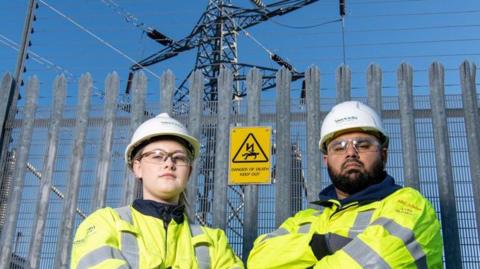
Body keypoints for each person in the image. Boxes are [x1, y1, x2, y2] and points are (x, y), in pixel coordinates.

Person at [247, 101, 443, 268]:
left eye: (363, 145)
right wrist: (323, 244)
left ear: (384, 154)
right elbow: (258, 259)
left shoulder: (410, 206)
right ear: (326, 160)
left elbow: (375, 261)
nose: (350, 152)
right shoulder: (307, 219)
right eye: (338, 147)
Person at [71, 113, 244, 269]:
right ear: (137, 167)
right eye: (157, 156)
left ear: (189, 172)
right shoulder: (105, 223)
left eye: (179, 157)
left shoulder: (214, 242)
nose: (169, 163)